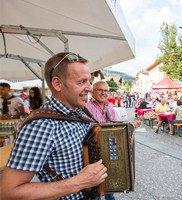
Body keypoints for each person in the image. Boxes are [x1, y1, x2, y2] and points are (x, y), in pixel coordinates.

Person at [1, 52, 108, 199]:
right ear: (57, 84)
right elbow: (8, 192)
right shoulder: (41, 126)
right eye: (81, 82)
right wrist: (79, 182)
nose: (89, 88)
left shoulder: (80, 111)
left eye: (89, 81)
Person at [85, 81, 117, 200]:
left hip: (110, 146)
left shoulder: (110, 106)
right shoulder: (87, 107)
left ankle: (110, 195)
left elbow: (115, 125)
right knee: (96, 179)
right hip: (94, 149)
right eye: (100, 90)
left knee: (109, 175)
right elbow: (86, 130)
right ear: (93, 91)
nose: (103, 93)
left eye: (105, 90)